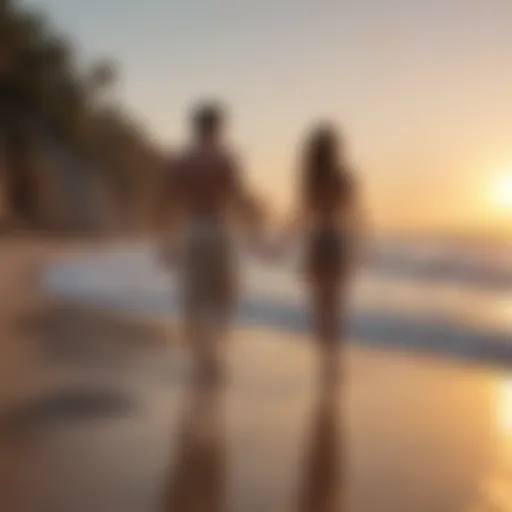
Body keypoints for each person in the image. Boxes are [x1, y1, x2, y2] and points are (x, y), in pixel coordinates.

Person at [157, 101, 263, 383]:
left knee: (194, 295)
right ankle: (214, 357)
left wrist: (166, 241)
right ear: (217, 128)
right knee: (224, 295)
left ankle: (199, 357)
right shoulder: (225, 159)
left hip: (192, 228)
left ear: (195, 127)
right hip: (218, 228)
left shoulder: (181, 160)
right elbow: (239, 198)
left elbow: (166, 202)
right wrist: (257, 231)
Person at [287, 123, 362, 388]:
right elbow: (356, 216)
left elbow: (300, 217)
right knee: (336, 308)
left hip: (318, 243)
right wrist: (360, 247)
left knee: (320, 309)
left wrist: (282, 244)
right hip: (337, 241)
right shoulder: (344, 177)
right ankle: (334, 364)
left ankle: (325, 365)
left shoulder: (311, 179)